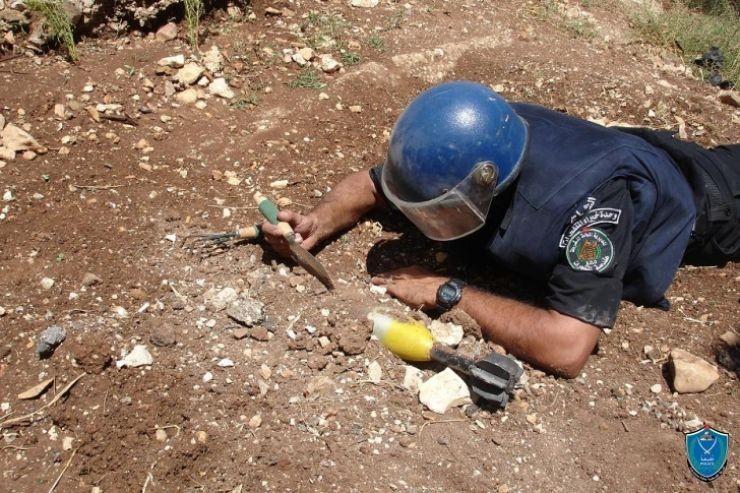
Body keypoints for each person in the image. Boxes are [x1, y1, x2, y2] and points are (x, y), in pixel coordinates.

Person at [261, 81, 739, 378]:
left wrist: (448, 292)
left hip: (715, 203)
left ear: (486, 185)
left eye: (438, 211)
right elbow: (376, 185)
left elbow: (568, 345)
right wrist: (317, 220)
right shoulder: (478, 129)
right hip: (645, 152)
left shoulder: (592, 206)